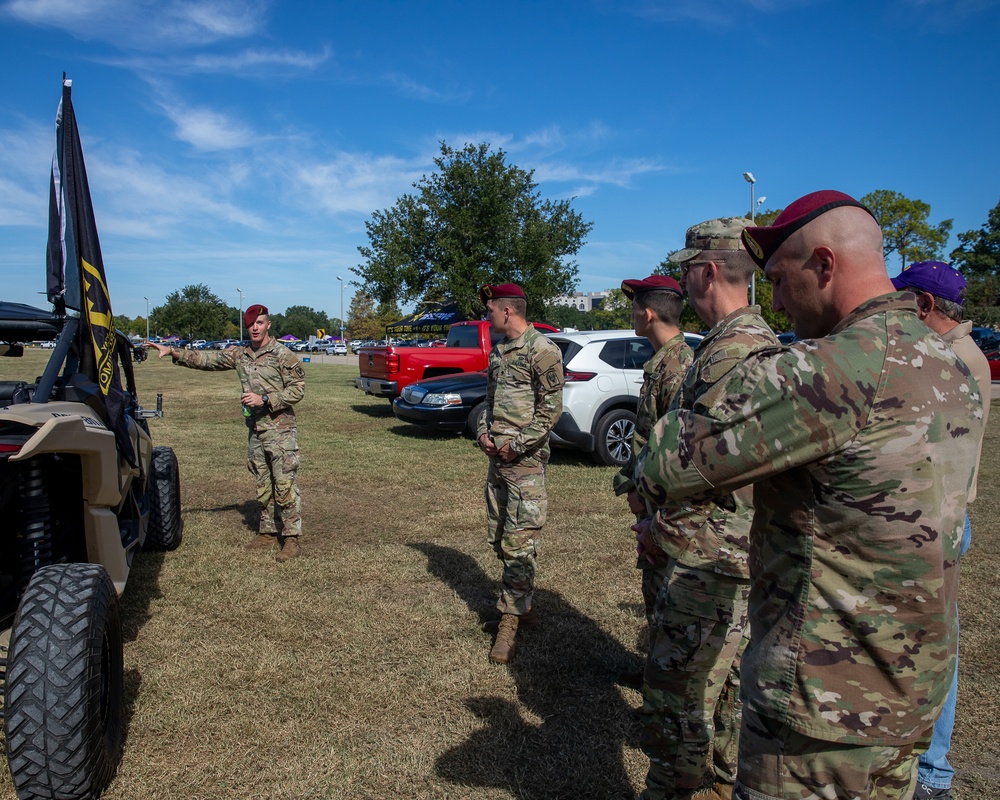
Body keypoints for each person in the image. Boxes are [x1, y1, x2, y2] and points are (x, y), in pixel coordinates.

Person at [635, 190, 984, 800]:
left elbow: (670, 465)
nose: (772, 301)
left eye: (777, 279)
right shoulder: (947, 362)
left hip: (823, 708)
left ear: (824, 265)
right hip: (908, 693)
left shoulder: (835, 370)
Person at [630, 219, 778, 800]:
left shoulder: (730, 352)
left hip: (711, 554)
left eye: (687, 268)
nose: (684, 280)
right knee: (717, 691)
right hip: (719, 545)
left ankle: (675, 787)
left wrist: (653, 510)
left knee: (678, 693)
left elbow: (690, 461)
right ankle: (714, 781)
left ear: (706, 273)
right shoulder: (735, 344)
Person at [891, 261, 991, 800]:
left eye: (902, 304)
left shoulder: (952, 359)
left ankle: (932, 769)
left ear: (925, 307)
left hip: (935, 521)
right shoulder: (962, 354)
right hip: (940, 518)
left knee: (935, 644)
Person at [146, 304, 306, 561]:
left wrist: (265, 398)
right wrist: (173, 351)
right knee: (263, 482)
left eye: (260, 323)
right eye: (251, 324)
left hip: (280, 430)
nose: (255, 327)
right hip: (255, 430)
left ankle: (291, 538)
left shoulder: (282, 354)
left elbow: (298, 389)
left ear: (268, 325)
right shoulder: (240, 354)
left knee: (284, 483)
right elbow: (207, 359)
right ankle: (267, 531)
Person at [475, 283, 563, 665]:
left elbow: (550, 411)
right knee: (499, 537)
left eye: (489, 309)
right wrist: (482, 431)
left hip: (525, 465)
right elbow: (489, 403)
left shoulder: (543, 350)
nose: (487, 315)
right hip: (498, 464)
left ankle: (508, 621)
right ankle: (522, 603)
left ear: (507, 311)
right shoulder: (498, 353)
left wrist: (517, 444)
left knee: (520, 542)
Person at [614, 274, 693, 672]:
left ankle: (664, 675)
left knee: (666, 592)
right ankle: (654, 668)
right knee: (653, 586)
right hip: (651, 500)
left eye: (633, 309)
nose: (631, 315)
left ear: (647, 314)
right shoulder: (663, 361)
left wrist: (646, 495)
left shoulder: (678, 366)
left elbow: (675, 447)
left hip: (666, 505)